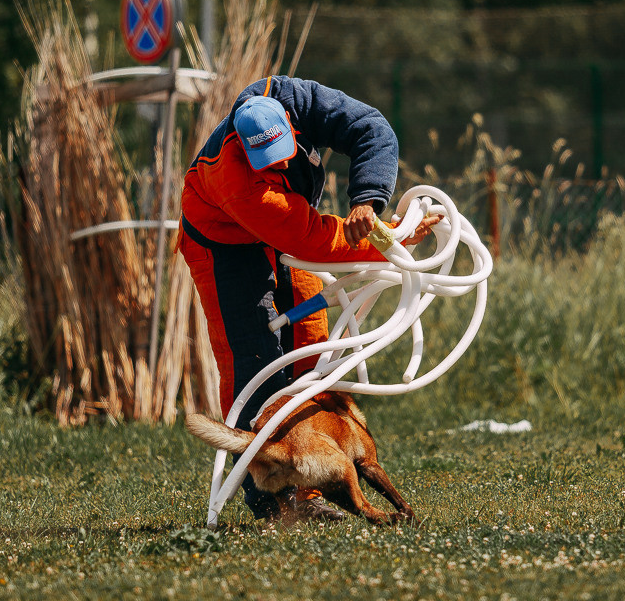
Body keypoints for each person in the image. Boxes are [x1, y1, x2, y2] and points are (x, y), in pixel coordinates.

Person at [177, 74, 434, 523]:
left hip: (286, 233)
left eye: (283, 155)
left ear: (291, 124)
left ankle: (311, 481)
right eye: (265, 162)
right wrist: (392, 239)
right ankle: (272, 498)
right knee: (254, 360)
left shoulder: (296, 99)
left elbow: (372, 128)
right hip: (223, 246)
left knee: (312, 348)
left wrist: (368, 202)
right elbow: (312, 239)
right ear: (242, 143)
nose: (275, 168)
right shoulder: (239, 180)